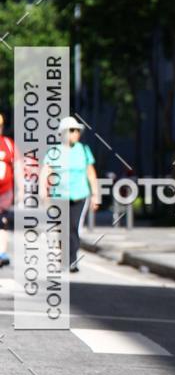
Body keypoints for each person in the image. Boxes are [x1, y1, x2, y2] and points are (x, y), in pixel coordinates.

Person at [40, 117, 100, 273]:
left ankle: (72, 260)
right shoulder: (54, 151)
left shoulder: (83, 150)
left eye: (77, 130)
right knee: (61, 228)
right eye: (72, 130)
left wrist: (95, 194)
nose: (76, 133)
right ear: (63, 133)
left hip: (79, 195)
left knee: (74, 227)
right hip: (59, 196)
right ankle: (64, 257)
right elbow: (46, 172)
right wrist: (43, 191)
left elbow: (90, 173)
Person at [0, 114, 16, 267]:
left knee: (3, 221)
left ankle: (1, 252)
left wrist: (22, 188)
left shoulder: (8, 144)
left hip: (5, 191)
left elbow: (17, 165)